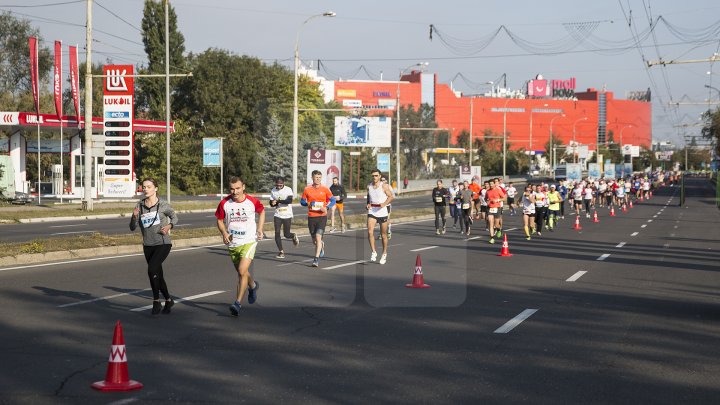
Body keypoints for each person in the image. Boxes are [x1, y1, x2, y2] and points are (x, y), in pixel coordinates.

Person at [215, 176, 264, 316]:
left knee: (242, 270)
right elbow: (219, 220)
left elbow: (262, 211)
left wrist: (260, 229)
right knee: (242, 272)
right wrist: (224, 232)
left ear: (243, 187)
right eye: (232, 189)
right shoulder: (225, 203)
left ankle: (237, 303)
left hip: (249, 240)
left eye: (237, 188)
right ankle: (253, 286)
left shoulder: (252, 201)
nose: (235, 191)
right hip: (233, 243)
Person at [129, 178, 178, 315]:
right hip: (148, 245)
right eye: (144, 187)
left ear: (155, 188)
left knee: (151, 270)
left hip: (163, 243)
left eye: (149, 187)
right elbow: (132, 227)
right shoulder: (140, 205)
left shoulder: (163, 205)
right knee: (158, 274)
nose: (145, 189)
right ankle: (168, 300)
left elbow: (175, 218)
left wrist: (169, 226)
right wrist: (134, 217)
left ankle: (156, 301)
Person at [301, 170, 336, 267]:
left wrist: (327, 207)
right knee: (314, 240)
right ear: (312, 178)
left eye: (320, 177)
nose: (318, 179)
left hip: (322, 216)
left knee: (318, 236)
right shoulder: (307, 189)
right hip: (311, 217)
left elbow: (333, 200)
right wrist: (308, 204)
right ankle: (321, 245)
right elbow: (302, 201)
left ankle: (315, 259)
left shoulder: (325, 189)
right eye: (316, 177)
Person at [367, 169, 394, 264]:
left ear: (379, 176)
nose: (374, 177)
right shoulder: (369, 186)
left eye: (376, 175)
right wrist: (368, 204)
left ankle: (384, 253)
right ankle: (374, 252)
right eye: (373, 176)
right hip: (372, 211)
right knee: (370, 231)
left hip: (382, 211)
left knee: (383, 235)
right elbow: (369, 197)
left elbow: (391, 197)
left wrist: (384, 203)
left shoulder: (384, 186)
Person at [269, 177, 299, 259]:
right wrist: (273, 203)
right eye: (277, 185)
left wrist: (278, 201)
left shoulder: (288, 189)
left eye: (280, 185)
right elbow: (271, 203)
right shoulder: (273, 190)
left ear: (283, 183)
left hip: (287, 215)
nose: (278, 187)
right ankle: (281, 252)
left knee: (286, 234)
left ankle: (293, 236)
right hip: (277, 214)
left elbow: (289, 201)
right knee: (277, 232)